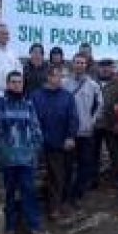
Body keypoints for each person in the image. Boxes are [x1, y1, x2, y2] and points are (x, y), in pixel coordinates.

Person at [0, 71, 48, 234]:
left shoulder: (28, 104)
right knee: (8, 193)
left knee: (29, 192)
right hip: (7, 159)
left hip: (26, 159)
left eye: (19, 82)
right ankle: (9, 228)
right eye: (13, 82)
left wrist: (35, 149)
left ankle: (34, 227)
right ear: (7, 84)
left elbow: (36, 128)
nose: (16, 85)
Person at [30, 66, 78, 221]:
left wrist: (70, 136)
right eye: (56, 76)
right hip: (39, 142)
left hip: (60, 142)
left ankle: (55, 207)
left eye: (61, 76)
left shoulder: (67, 96)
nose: (59, 79)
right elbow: (31, 117)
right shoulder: (36, 96)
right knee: (37, 177)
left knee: (58, 176)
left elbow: (73, 118)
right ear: (49, 77)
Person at [62, 52, 103, 198]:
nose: (79, 65)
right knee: (67, 165)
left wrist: (92, 121)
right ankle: (66, 193)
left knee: (85, 164)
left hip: (86, 132)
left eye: (82, 63)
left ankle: (79, 194)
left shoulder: (93, 85)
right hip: (69, 133)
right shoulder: (64, 83)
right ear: (72, 64)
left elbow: (99, 105)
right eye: (77, 62)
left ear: (86, 65)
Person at [94, 59, 118, 188]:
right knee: (93, 153)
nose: (105, 69)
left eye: (108, 67)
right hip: (94, 124)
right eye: (102, 67)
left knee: (115, 153)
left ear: (113, 68)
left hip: (112, 124)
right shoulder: (92, 83)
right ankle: (93, 179)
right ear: (98, 69)